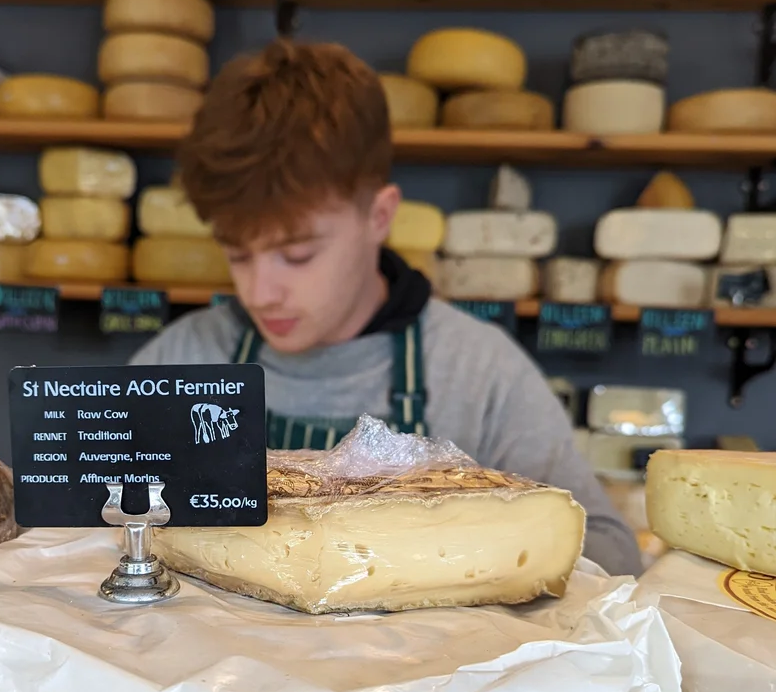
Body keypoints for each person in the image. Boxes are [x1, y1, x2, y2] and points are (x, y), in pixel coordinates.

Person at [131, 39, 641, 576]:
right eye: (237, 254)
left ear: (379, 216)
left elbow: (607, 548)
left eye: (297, 254)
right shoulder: (182, 359)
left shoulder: (481, 373)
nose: (260, 292)